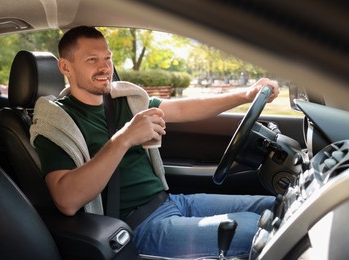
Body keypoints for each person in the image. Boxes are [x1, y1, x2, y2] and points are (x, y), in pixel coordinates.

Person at [30, 26, 280, 258]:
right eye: (91, 60)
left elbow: (183, 109)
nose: (104, 67)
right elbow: (67, 200)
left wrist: (245, 95)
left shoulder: (124, 100)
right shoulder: (57, 124)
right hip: (137, 225)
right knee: (259, 231)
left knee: (276, 205)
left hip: (171, 202)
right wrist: (125, 138)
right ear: (65, 67)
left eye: (107, 58)